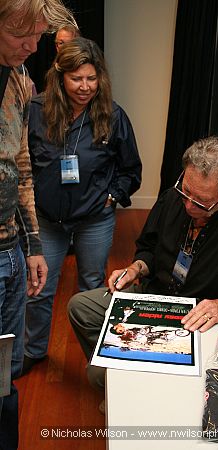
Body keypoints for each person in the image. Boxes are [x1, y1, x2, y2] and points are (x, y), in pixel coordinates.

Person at [68, 135, 218, 391]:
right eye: (185, 191)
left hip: (196, 320)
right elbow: (149, 248)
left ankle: (134, 384)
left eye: (201, 202)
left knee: (99, 374)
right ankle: (131, 381)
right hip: (156, 296)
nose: (188, 206)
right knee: (81, 307)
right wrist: (136, 267)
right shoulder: (173, 198)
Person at [22, 37, 142, 375]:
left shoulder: (113, 115)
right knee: (39, 287)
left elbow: (131, 169)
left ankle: (98, 359)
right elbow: (22, 163)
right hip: (47, 220)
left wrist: (113, 195)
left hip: (94, 219)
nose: (85, 87)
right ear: (60, 77)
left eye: (92, 79)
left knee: (92, 286)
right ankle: (34, 351)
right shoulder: (36, 111)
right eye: (77, 79)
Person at [0, 0, 76, 448]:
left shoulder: (21, 83)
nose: (32, 46)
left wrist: (31, 247)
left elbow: (22, 167)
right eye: (19, 35)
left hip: (10, 252)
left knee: (6, 376)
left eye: (38, 36)